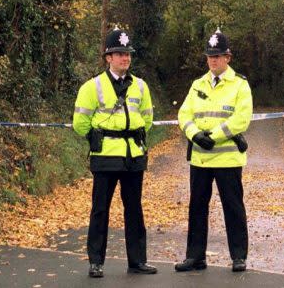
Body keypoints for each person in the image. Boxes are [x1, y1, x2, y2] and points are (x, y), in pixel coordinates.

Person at [72, 28, 157, 278]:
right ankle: (96, 261)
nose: (125, 58)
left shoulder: (140, 86)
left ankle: (137, 261)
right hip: (106, 156)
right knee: (100, 210)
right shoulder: (92, 86)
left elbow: (148, 119)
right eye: (119, 54)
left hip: (133, 155)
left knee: (134, 210)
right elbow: (80, 123)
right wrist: (98, 138)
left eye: (128, 54)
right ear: (108, 57)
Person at [175, 28, 253, 273]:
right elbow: (184, 114)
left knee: (233, 208)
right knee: (197, 208)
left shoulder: (239, 85)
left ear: (228, 57)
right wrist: (194, 134)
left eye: (218, 56)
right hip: (200, 158)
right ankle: (195, 256)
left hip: (228, 158)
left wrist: (214, 136)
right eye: (210, 56)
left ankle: (238, 256)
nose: (213, 60)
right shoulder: (198, 84)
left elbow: (242, 118)